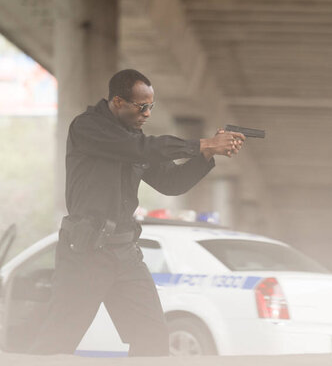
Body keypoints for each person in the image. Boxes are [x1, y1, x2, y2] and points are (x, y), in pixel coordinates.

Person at [29, 69, 246, 356]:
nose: (147, 113)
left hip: (125, 255)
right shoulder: (87, 128)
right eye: (141, 106)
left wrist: (206, 156)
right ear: (118, 102)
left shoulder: (135, 139)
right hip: (85, 254)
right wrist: (202, 143)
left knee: (153, 341)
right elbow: (138, 148)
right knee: (56, 343)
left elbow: (172, 183)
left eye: (151, 107)